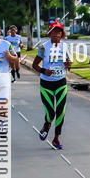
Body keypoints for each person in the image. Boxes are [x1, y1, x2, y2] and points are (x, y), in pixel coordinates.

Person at [32, 21, 71, 150]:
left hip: (61, 83)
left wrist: (68, 65)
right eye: (54, 32)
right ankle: (46, 125)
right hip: (46, 84)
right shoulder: (44, 47)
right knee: (51, 112)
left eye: (59, 32)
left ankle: (56, 138)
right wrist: (44, 71)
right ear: (49, 33)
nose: (56, 34)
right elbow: (34, 65)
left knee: (61, 111)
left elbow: (67, 63)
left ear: (62, 34)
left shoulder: (65, 47)